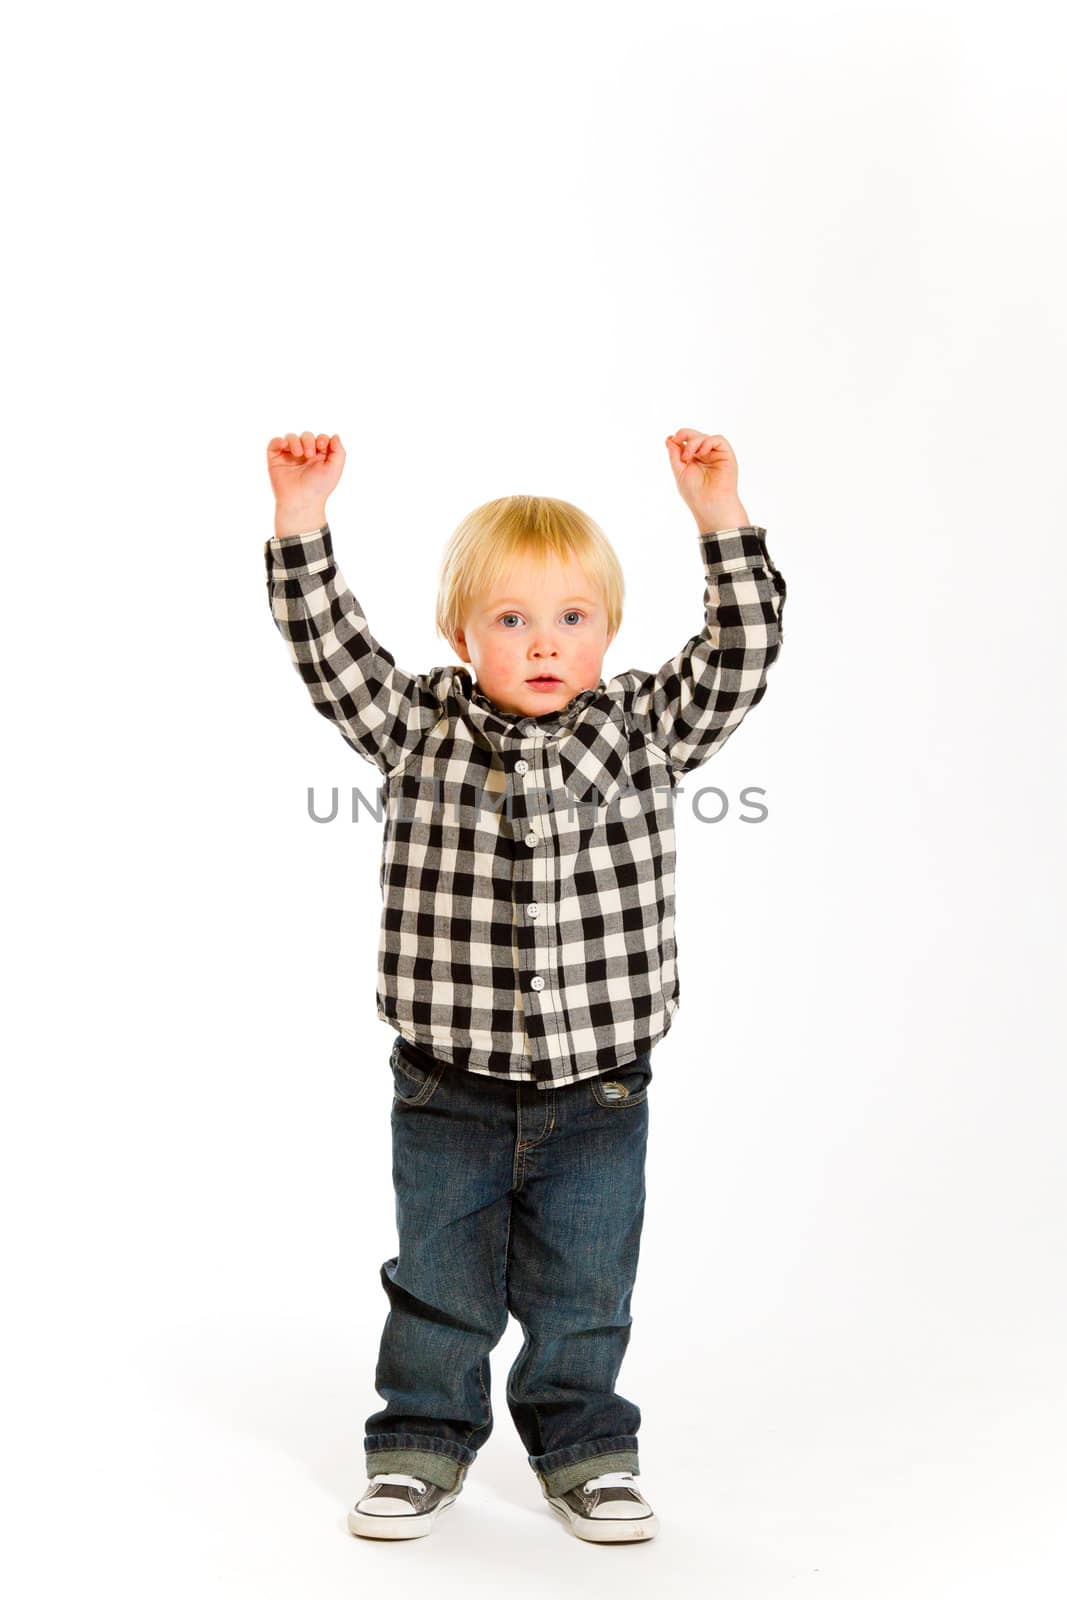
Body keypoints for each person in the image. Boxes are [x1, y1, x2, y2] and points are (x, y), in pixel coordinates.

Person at [263, 428, 787, 1542]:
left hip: (599, 1088)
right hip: (445, 1084)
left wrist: (718, 515)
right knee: (439, 1283)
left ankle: (585, 1445)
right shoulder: (417, 727)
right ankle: (419, 1437)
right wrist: (302, 519)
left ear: (606, 632)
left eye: (569, 619)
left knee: (583, 1289)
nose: (541, 642)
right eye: (510, 619)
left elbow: (740, 651)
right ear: (461, 634)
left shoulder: (642, 728)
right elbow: (328, 652)